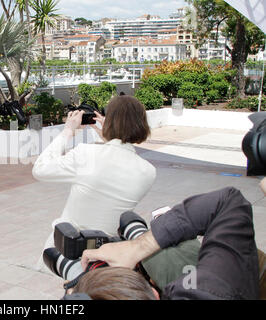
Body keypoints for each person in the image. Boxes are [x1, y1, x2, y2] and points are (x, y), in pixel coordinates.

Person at [77, 186, 260, 299]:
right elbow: (227, 202)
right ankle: (137, 234)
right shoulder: (207, 291)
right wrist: (137, 247)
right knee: (165, 258)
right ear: (154, 293)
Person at [33, 95, 156, 256]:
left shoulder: (87, 154)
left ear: (109, 120)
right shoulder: (148, 171)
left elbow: (40, 169)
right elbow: (114, 162)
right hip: (107, 253)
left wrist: (68, 131)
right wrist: (110, 137)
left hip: (68, 251)